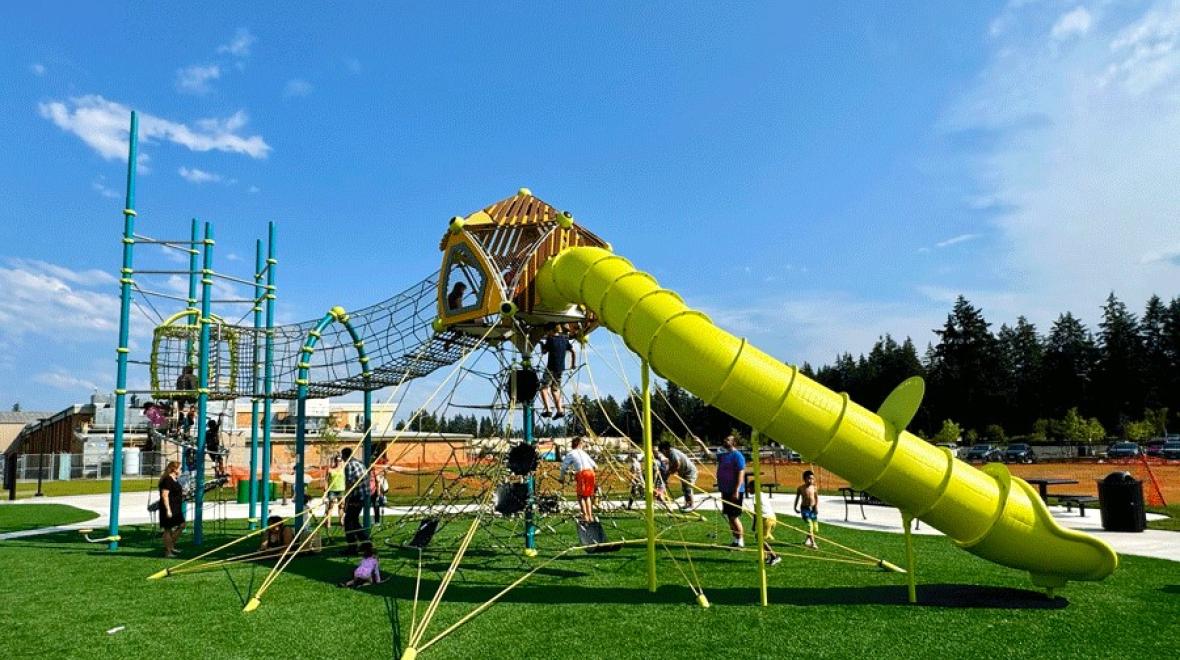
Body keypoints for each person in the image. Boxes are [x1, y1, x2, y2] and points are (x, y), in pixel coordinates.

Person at [538, 324, 575, 419]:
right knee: (555, 389)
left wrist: (541, 345)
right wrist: (573, 364)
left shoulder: (550, 339)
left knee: (543, 388)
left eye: (547, 332)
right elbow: (573, 352)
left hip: (550, 368)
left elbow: (544, 352)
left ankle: (548, 409)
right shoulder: (564, 339)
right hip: (560, 368)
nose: (546, 334)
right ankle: (560, 410)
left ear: (551, 331)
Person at [716, 435, 747, 548]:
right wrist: (701, 443)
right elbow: (710, 456)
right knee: (729, 516)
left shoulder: (737, 456)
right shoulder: (724, 455)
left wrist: (736, 490)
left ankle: (741, 541)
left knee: (734, 516)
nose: (725, 440)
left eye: (728, 439)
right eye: (725, 439)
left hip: (734, 491)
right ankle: (735, 539)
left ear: (734, 442)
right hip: (725, 490)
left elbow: (741, 473)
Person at [559, 437, 598, 523]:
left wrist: (561, 478)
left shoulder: (571, 453)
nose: (584, 445)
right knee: (587, 496)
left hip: (582, 474)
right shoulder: (584, 453)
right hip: (591, 473)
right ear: (579, 444)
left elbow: (563, 467)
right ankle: (590, 516)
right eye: (582, 443)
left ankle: (585, 516)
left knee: (580, 496)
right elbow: (595, 466)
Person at [341, 447, 371, 555]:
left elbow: (350, 484)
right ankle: (366, 544)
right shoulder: (360, 463)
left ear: (344, 456)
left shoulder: (349, 465)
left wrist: (346, 499)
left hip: (356, 495)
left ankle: (352, 547)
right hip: (364, 495)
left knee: (348, 521)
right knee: (354, 521)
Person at [658, 440, 699, 509]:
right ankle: (687, 504)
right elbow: (673, 464)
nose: (662, 454)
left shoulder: (672, 453)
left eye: (661, 452)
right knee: (685, 488)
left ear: (664, 450)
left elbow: (677, 464)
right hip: (684, 472)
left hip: (689, 471)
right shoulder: (671, 453)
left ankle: (691, 505)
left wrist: (671, 471)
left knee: (688, 488)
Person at [158, 461, 185, 557]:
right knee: (167, 529)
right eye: (180, 469)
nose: (180, 470)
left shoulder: (174, 479)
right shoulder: (167, 479)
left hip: (176, 507)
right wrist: (168, 510)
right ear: (174, 469)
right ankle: (168, 551)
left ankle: (170, 546)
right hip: (168, 507)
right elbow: (164, 495)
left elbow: (175, 491)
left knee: (182, 525)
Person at [794, 469, 820, 549]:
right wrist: (795, 507)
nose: (811, 480)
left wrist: (816, 507)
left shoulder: (814, 488)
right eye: (809, 478)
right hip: (804, 509)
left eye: (812, 478)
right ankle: (813, 543)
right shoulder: (800, 488)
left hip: (812, 509)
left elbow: (816, 498)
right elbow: (797, 498)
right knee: (809, 526)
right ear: (804, 479)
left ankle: (807, 539)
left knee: (815, 528)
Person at [323, 457, 345, 529]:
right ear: (335, 461)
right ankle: (328, 523)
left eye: (340, 460)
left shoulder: (343, 469)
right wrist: (325, 489)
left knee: (341, 506)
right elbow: (326, 480)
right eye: (337, 460)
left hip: (341, 490)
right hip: (332, 490)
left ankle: (341, 522)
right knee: (330, 506)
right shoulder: (330, 470)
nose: (339, 462)